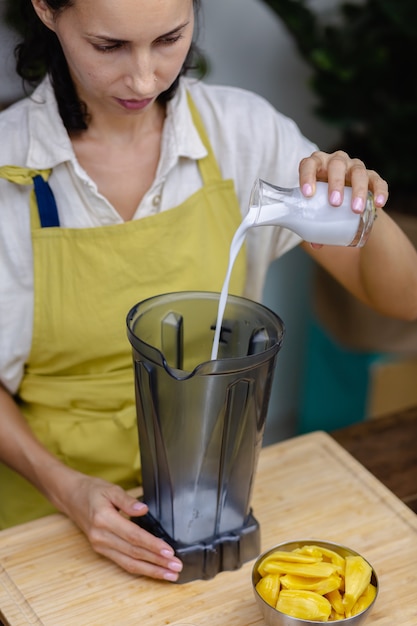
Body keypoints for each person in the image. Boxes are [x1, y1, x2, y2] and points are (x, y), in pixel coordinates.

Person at [1, 0, 416, 582]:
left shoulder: (242, 134)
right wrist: (67, 490)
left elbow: (402, 300)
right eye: (109, 46)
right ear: (45, 10)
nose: (144, 77)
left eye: (169, 38)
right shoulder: (7, 164)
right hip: (44, 518)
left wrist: (363, 211)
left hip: (216, 497)